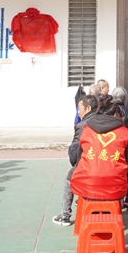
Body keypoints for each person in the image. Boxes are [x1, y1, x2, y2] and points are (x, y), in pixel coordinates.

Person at [70, 97, 128, 208]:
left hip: (86, 184)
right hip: (115, 187)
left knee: (71, 177)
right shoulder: (124, 132)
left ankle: (65, 213)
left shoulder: (86, 129)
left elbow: (78, 159)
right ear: (116, 114)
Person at [52, 94, 97, 226]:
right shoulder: (105, 121)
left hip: (88, 166)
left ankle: (65, 214)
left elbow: (75, 152)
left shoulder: (83, 125)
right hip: (106, 165)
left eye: (80, 108)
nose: (79, 112)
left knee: (69, 178)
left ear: (88, 108)